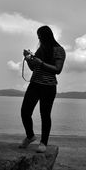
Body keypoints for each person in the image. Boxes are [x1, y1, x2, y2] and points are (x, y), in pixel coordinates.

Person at [19, 25, 66, 153]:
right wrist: (29, 59)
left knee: (45, 115)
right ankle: (30, 136)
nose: (39, 39)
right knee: (25, 112)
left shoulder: (59, 50)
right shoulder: (41, 49)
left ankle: (43, 143)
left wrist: (40, 63)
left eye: (40, 36)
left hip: (48, 87)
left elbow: (58, 70)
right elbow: (34, 69)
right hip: (34, 84)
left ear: (46, 36)